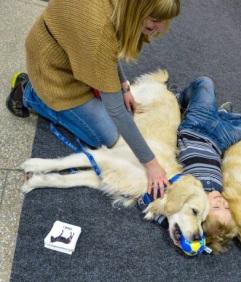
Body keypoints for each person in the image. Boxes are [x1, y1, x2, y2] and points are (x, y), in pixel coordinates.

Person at [6, 0, 181, 194]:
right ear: (136, 9)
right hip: (52, 72)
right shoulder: (98, 31)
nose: (161, 27)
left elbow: (108, 48)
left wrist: (123, 86)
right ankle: (29, 93)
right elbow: (115, 108)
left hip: (64, 53)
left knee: (119, 119)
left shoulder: (116, 9)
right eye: (155, 20)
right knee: (107, 137)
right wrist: (151, 165)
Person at [140, 77, 241, 254]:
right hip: (219, 141)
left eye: (217, 206)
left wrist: (180, 234)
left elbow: (150, 205)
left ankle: (178, 99)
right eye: (226, 206)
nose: (221, 201)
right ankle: (220, 115)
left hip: (194, 127)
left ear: (202, 213)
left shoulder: (189, 191)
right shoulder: (222, 190)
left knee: (206, 83)